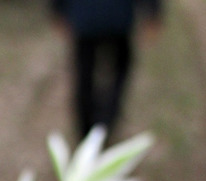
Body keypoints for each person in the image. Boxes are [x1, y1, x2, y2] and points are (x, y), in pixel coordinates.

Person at [51, 0, 163, 142]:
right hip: (118, 19)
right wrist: (153, 13)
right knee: (116, 74)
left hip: (87, 19)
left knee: (85, 76)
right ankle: (104, 124)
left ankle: (88, 130)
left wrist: (57, 9)